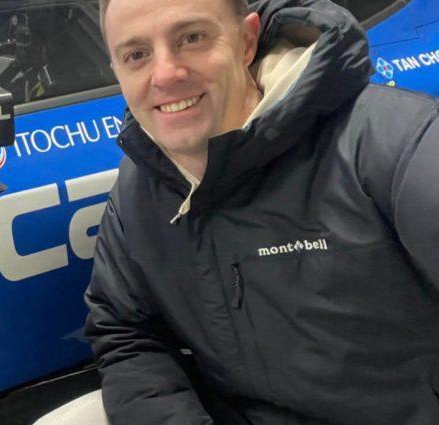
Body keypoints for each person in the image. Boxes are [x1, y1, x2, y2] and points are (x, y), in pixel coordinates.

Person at [83, 0, 439, 424]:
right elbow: (127, 335)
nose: (165, 74)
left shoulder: (393, 144)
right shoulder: (140, 185)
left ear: (246, 41)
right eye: (137, 55)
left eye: (192, 38)